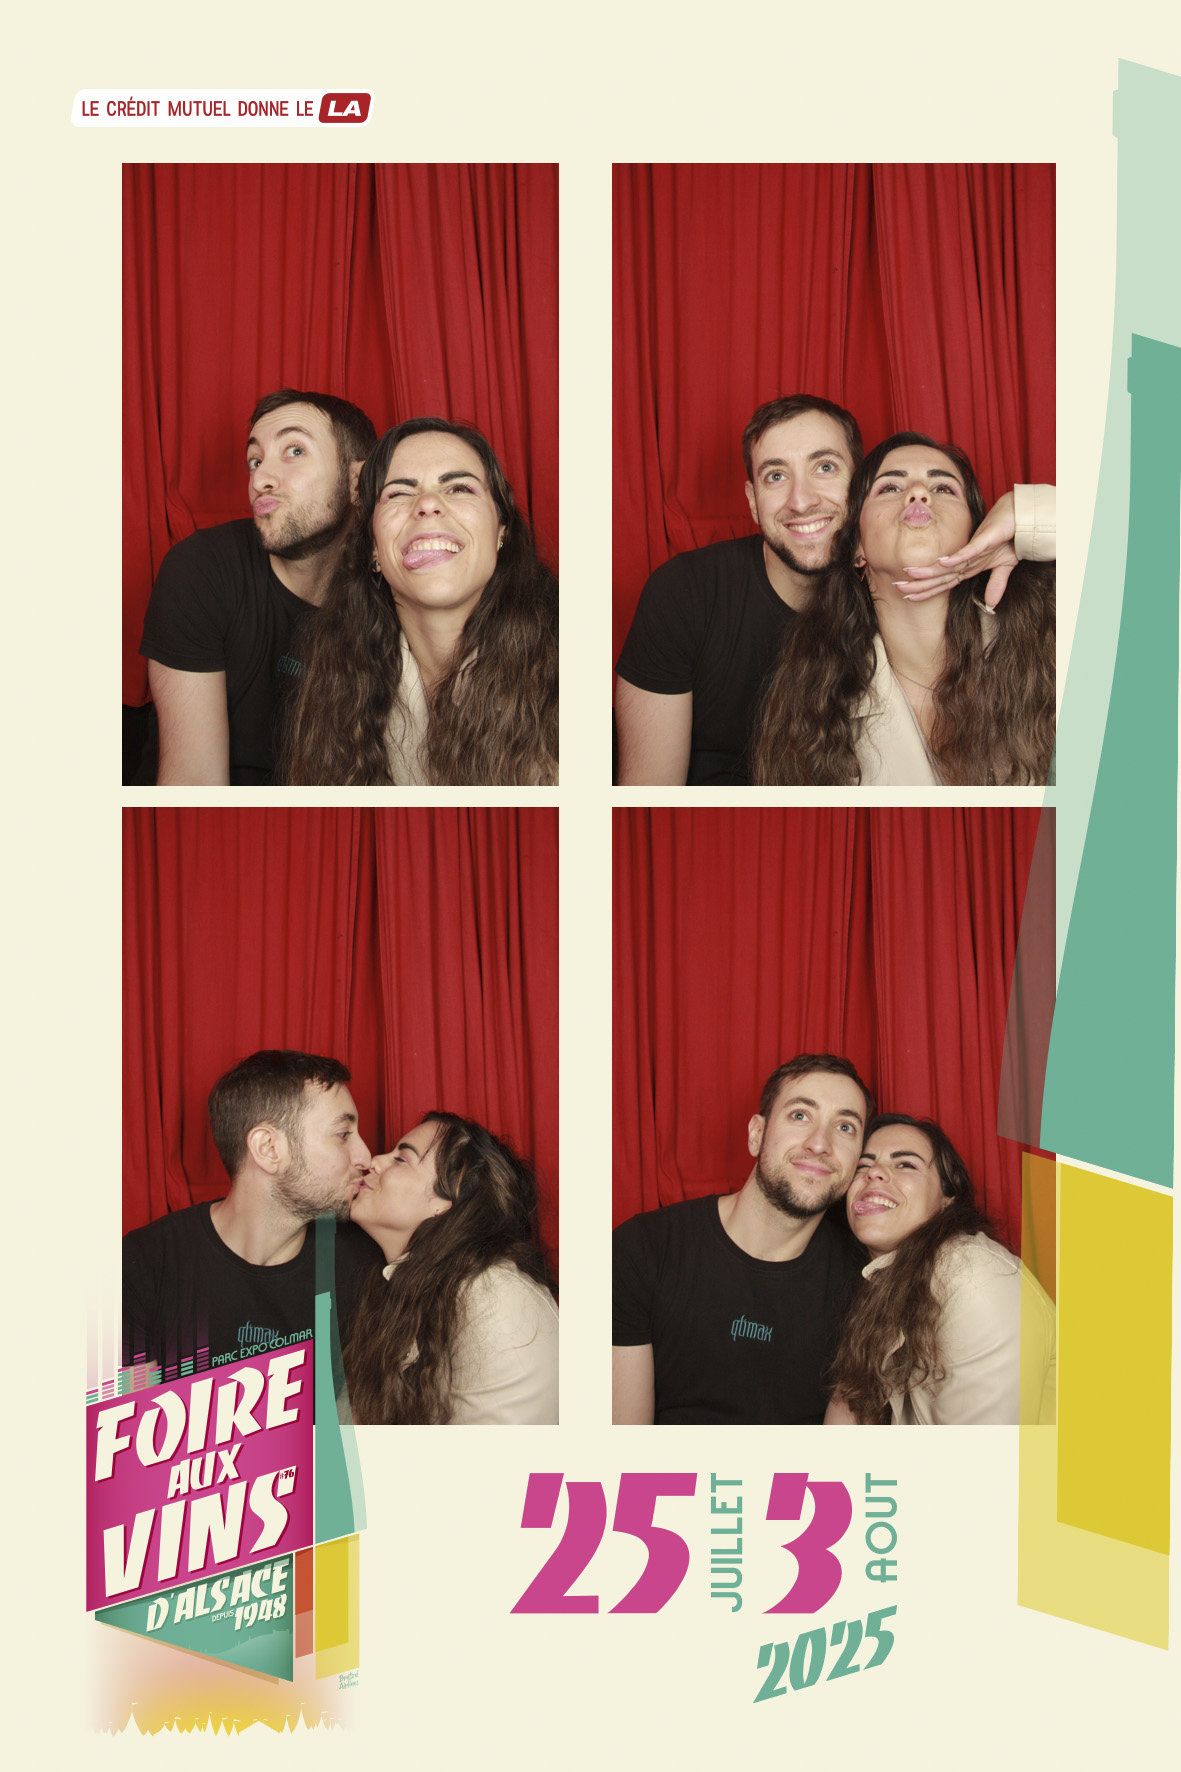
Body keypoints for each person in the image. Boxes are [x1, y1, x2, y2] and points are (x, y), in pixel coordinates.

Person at [615, 394, 1055, 786]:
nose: (801, 500)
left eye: (825, 467)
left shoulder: (1038, 627)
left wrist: (1028, 515)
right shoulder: (811, 694)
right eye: (775, 476)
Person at [752, 433, 1055, 785]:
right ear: (858, 549)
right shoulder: (810, 704)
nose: (919, 493)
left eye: (943, 488)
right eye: (890, 488)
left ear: (978, 533)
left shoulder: (1050, 634)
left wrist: (1026, 514)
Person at [281, 418, 558, 785]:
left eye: (459, 488)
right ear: (374, 549)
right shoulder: (335, 696)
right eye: (398, 493)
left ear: (500, 533)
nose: (427, 503)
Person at [612, 1054, 871, 1425]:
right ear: (756, 1134)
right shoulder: (642, 1249)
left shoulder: (865, 1288)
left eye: (845, 1127)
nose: (819, 1144)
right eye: (800, 1115)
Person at [137, 389, 378, 785]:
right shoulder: (201, 568)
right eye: (255, 460)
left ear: (358, 482)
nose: (260, 479)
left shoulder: (390, 590)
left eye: (295, 451)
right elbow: (194, 784)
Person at [122, 1051, 380, 1374]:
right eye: (343, 1135)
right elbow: (129, 1405)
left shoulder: (366, 1267)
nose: (366, 1157)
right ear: (268, 1149)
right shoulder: (141, 1267)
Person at [826, 1115, 1056, 1426]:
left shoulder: (974, 1276)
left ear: (947, 1199)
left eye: (905, 1164)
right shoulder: (883, 1284)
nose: (874, 1172)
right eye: (862, 1165)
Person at [342, 1112, 558, 1425]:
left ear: (446, 1199)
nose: (374, 1162)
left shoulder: (495, 1294)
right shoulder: (401, 1284)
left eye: (401, 1159)